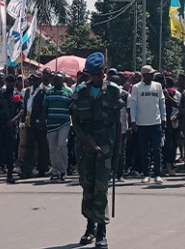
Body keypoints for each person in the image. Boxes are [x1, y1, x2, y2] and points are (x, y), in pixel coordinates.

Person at [70, 52, 123, 249]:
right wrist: (87, 141)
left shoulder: (113, 91)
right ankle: (89, 225)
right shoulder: (80, 92)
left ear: (105, 72)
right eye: (91, 75)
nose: (96, 78)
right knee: (87, 187)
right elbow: (75, 122)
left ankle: (101, 230)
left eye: (99, 74)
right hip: (85, 145)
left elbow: (118, 125)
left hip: (106, 146)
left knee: (101, 187)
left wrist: (117, 155)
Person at [130, 64, 165, 184]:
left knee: (157, 149)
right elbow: (133, 105)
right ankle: (146, 174)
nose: (152, 76)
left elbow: (161, 102)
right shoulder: (136, 87)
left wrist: (163, 117)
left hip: (156, 122)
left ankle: (157, 174)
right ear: (144, 75)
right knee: (144, 150)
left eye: (152, 74)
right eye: (149, 74)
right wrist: (133, 121)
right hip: (142, 123)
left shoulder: (158, 86)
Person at [0, 74, 21, 184]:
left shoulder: (16, 94)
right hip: (0, 124)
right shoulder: (0, 93)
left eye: (11, 81)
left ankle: (10, 175)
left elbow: (21, 110)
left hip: (11, 126)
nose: (9, 83)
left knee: (10, 152)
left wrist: (13, 120)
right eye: (8, 81)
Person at [43, 72, 73, 181]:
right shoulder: (49, 92)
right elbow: (45, 108)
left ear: (63, 80)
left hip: (64, 123)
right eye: (55, 80)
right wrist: (43, 121)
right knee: (52, 149)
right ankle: (55, 170)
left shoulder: (69, 92)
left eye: (59, 80)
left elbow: (72, 108)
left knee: (61, 145)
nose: (56, 82)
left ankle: (63, 170)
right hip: (51, 124)